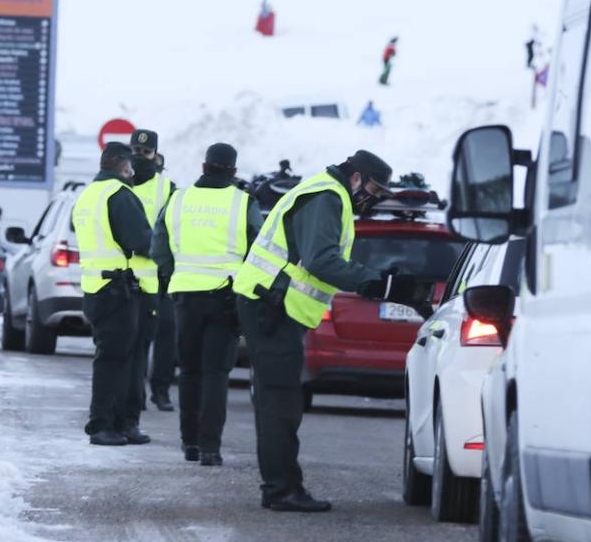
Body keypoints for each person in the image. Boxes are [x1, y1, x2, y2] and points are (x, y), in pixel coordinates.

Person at [232, 150, 432, 512]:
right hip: (271, 306)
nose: (372, 197)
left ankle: (280, 487)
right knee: (280, 404)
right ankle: (281, 491)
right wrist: (379, 285)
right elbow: (322, 260)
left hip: (275, 306)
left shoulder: (328, 194)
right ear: (355, 176)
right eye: (372, 188)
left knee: (280, 401)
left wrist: (385, 284)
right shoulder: (326, 196)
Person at [151, 142, 262, 466]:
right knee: (216, 373)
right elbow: (257, 250)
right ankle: (210, 448)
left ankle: (190, 444)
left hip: (185, 296)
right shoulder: (243, 203)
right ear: (234, 172)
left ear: (203, 166)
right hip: (227, 298)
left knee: (189, 371)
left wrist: (176, 275)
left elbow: (159, 245)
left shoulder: (178, 199)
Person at [72, 142, 153, 446]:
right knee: (114, 360)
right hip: (117, 289)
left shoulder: (88, 195)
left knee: (114, 358)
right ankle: (102, 425)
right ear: (123, 166)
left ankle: (119, 424)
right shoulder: (120, 195)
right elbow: (141, 240)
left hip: (96, 287)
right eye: (131, 166)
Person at [127, 129, 177, 416]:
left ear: (156, 155)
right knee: (136, 338)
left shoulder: (167, 188)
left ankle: (161, 390)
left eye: (145, 153)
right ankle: (136, 393)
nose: (140, 157)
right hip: (129, 274)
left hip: (160, 275)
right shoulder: (122, 182)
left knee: (166, 334)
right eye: (135, 151)